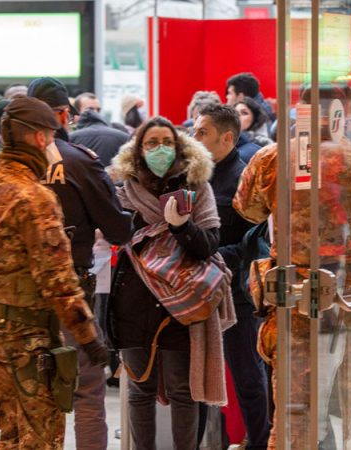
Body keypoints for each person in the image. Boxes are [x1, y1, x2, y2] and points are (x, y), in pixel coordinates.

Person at [233, 86, 351, 450]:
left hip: (294, 293)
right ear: (341, 116)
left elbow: (247, 209)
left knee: (295, 405)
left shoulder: (271, 158)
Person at [0, 96, 110, 448]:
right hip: (32, 338)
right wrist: (88, 336)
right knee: (41, 440)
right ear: (40, 138)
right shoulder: (34, 199)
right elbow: (57, 278)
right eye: (53, 137)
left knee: (9, 435)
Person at [106, 116, 225, 450]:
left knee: (182, 392)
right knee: (139, 390)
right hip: (134, 302)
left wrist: (181, 227)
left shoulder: (197, 187)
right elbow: (114, 236)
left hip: (182, 305)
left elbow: (209, 245)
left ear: (180, 146)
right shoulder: (124, 192)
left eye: (167, 142)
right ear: (139, 151)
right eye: (152, 143)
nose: (160, 150)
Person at [27, 76, 133, 450]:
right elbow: (118, 229)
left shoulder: (2, 168)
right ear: (61, 115)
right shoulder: (78, 163)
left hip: (18, 301)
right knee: (86, 389)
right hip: (71, 294)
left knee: (30, 396)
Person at [193, 104, 270, 449]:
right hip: (194, 290)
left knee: (247, 376)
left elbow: (255, 241)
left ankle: (260, 441)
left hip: (234, 292)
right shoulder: (194, 176)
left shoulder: (244, 180)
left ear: (226, 137)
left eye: (201, 132)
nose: (193, 138)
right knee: (193, 378)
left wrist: (217, 256)